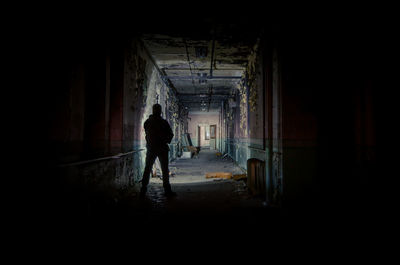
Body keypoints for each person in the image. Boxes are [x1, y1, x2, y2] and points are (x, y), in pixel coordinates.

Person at [140, 104, 176, 198]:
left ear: (153, 110)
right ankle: (167, 190)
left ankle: (143, 189)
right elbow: (170, 134)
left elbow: (147, 135)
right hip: (162, 148)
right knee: (164, 169)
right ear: (160, 111)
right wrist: (165, 140)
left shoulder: (148, 122)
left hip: (151, 148)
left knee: (148, 168)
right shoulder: (163, 122)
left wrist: (151, 142)